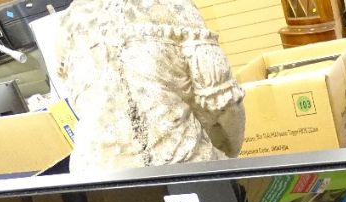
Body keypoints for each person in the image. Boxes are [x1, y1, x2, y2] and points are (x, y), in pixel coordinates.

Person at [55, 0, 245, 173]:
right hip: (182, 169)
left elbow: (80, 103)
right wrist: (227, 155)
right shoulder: (174, 7)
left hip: (95, 177)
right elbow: (224, 103)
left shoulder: (68, 22)